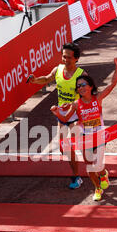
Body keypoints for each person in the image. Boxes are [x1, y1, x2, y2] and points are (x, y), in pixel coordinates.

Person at [50, 57, 117, 201]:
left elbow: (112, 84)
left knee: (98, 166)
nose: (80, 88)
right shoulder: (75, 104)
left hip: (100, 137)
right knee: (89, 167)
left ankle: (103, 173)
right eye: (78, 86)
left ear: (90, 86)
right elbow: (65, 119)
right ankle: (97, 188)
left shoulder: (98, 98)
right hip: (85, 138)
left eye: (83, 85)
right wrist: (56, 112)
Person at [28, 43, 87, 189]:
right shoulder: (58, 69)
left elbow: (87, 97)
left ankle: (83, 174)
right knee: (63, 147)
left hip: (76, 114)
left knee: (76, 145)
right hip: (61, 115)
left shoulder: (82, 75)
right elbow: (47, 78)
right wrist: (35, 80)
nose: (65, 60)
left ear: (76, 59)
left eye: (69, 57)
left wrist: (73, 105)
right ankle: (78, 174)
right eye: (63, 56)